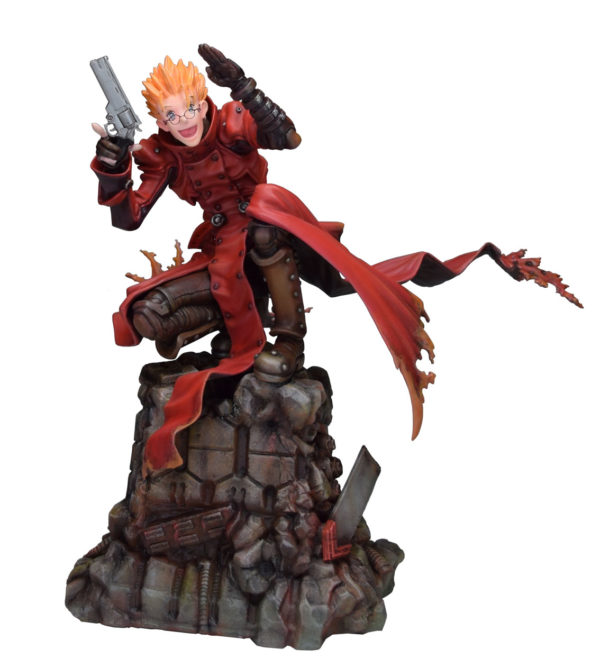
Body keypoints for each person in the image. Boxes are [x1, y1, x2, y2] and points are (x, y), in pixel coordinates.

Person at [92, 44, 581, 477]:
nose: (184, 122)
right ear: (159, 121)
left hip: (268, 225)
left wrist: (245, 87)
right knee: (146, 315)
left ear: (204, 101)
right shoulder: (162, 154)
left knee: (263, 235)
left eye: (190, 108)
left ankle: (288, 341)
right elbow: (129, 218)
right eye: (171, 116)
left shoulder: (235, 121)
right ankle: (234, 335)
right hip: (221, 252)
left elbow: (288, 138)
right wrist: (113, 170)